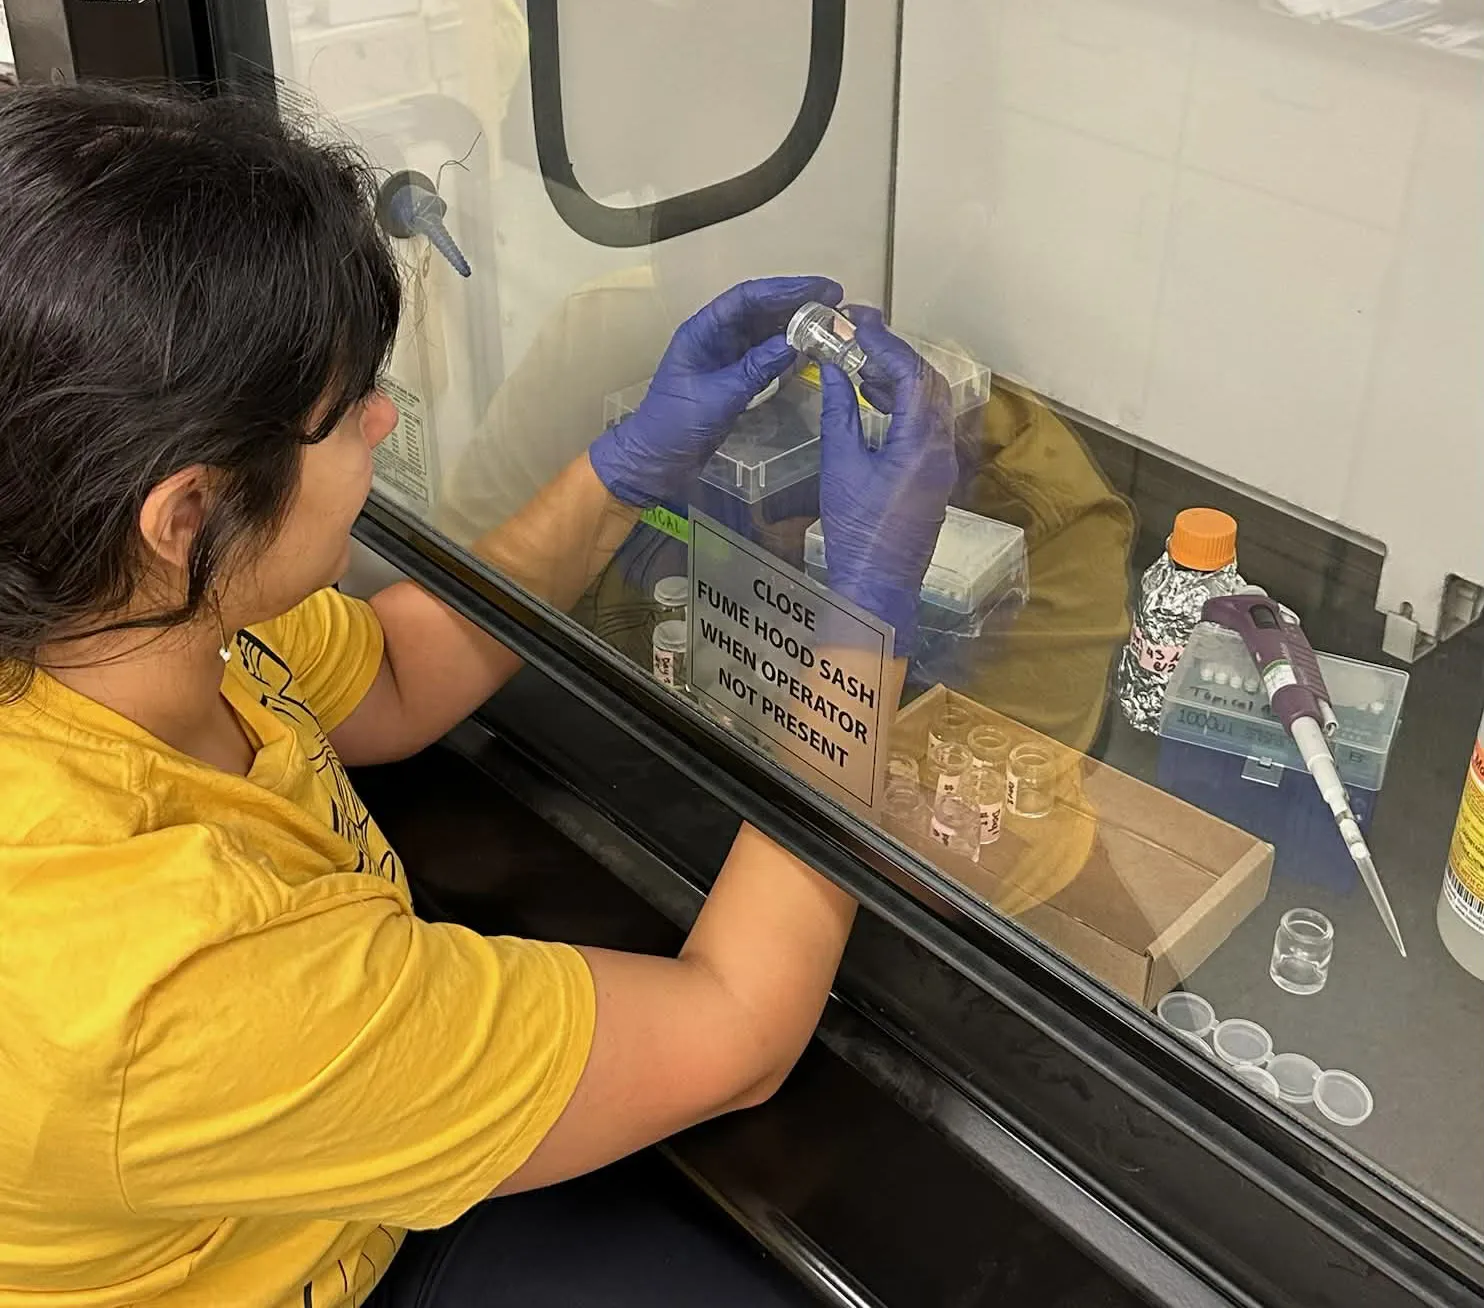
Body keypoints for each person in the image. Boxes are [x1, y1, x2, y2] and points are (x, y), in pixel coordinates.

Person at [0, 83, 955, 1306]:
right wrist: (863, 619)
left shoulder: (107, 604)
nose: (389, 420)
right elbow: (734, 1034)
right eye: (346, 416)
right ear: (187, 514)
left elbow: (395, 673)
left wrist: (624, 469)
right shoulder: (160, 983)